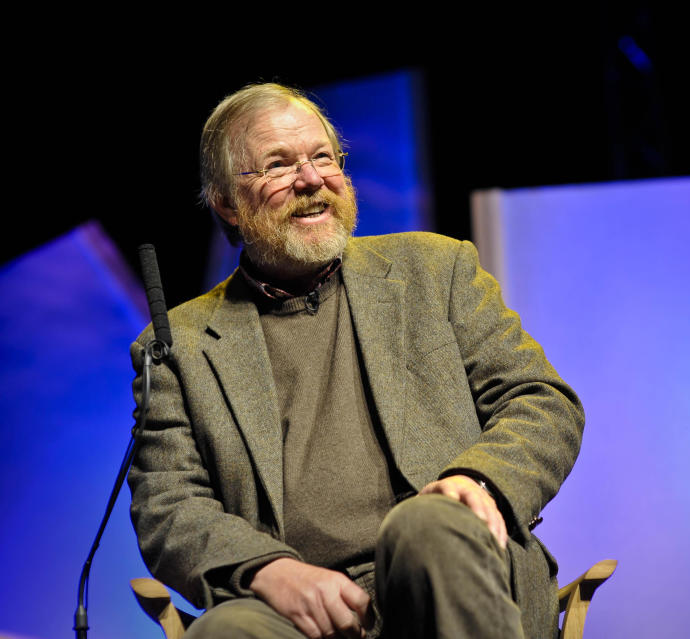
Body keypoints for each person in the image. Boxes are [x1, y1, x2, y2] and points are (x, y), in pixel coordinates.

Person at [128, 82, 584, 639]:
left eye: (323, 157)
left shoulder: (435, 270)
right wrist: (269, 571)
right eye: (278, 165)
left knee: (427, 526)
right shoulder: (180, 345)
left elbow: (539, 400)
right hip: (298, 610)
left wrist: (482, 481)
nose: (312, 179)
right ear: (226, 203)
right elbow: (169, 504)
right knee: (228, 631)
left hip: (446, 569)